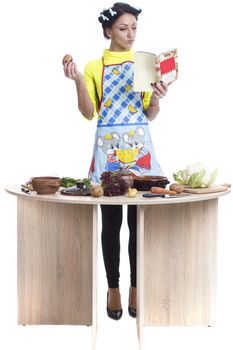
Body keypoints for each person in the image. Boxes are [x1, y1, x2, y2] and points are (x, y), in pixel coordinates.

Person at [63, 2, 168, 320]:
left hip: (140, 151)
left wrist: (159, 98)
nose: (131, 34)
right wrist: (79, 81)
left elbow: (149, 114)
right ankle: (113, 288)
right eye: (123, 28)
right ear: (109, 30)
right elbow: (88, 113)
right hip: (108, 153)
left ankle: (137, 287)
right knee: (112, 223)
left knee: (139, 222)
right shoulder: (96, 66)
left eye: (134, 27)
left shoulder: (145, 63)